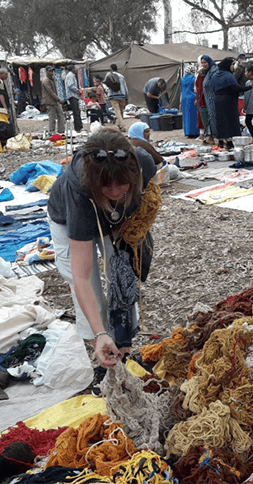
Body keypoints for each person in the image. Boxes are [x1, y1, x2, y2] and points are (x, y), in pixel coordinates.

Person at [47, 128, 158, 369]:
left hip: (120, 219)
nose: (116, 191)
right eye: (107, 186)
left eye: (122, 184)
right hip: (68, 218)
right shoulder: (79, 193)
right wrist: (100, 333)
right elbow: (83, 276)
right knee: (92, 291)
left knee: (123, 273)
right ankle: (101, 347)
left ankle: (124, 350)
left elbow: (151, 195)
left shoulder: (144, 164)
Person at [203, 57, 250, 150]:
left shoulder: (216, 76)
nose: (233, 67)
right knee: (230, 122)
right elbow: (236, 88)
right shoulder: (228, 76)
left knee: (221, 121)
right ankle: (229, 142)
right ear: (228, 65)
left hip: (218, 101)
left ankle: (221, 141)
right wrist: (249, 87)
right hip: (229, 102)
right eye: (232, 65)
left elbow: (211, 88)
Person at [195, 55, 214, 144]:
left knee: (211, 118)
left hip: (211, 100)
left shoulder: (212, 72)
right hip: (202, 100)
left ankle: (211, 137)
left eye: (205, 62)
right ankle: (205, 135)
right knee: (203, 117)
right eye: (202, 63)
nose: (203, 64)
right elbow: (198, 87)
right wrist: (198, 98)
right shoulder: (201, 74)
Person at [104, 64, 129, 131]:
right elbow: (125, 87)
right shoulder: (121, 76)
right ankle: (120, 124)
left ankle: (122, 126)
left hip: (113, 96)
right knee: (121, 111)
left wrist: (107, 94)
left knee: (117, 111)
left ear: (111, 68)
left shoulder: (108, 75)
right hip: (122, 95)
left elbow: (106, 86)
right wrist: (126, 97)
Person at [42, 66, 65, 134]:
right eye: (50, 71)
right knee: (52, 118)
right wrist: (59, 99)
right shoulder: (46, 80)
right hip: (50, 101)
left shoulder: (52, 79)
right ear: (46, 71)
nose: (51, 72)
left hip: (55, 101)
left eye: (52, 71)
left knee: (61, 115)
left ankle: (61, 131)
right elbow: (50, 92)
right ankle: (52, 132)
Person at [180, 65, 199, 138]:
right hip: (192, 98)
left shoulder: (182, 79)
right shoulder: (194, 79)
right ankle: (194, 132)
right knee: (194, 116)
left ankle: (187, 132)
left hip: (184, 98)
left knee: (186, 116)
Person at [65, 66, 83, 132]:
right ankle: (78, 127)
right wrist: (78, 90)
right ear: (72, 69)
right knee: (76, 112)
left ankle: (79, 126)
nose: (76, 69)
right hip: (72, 95)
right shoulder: (70, 75)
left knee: (77, 111)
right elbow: (71, 85)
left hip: (74, 95)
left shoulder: (71, 75)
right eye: (75, 68)